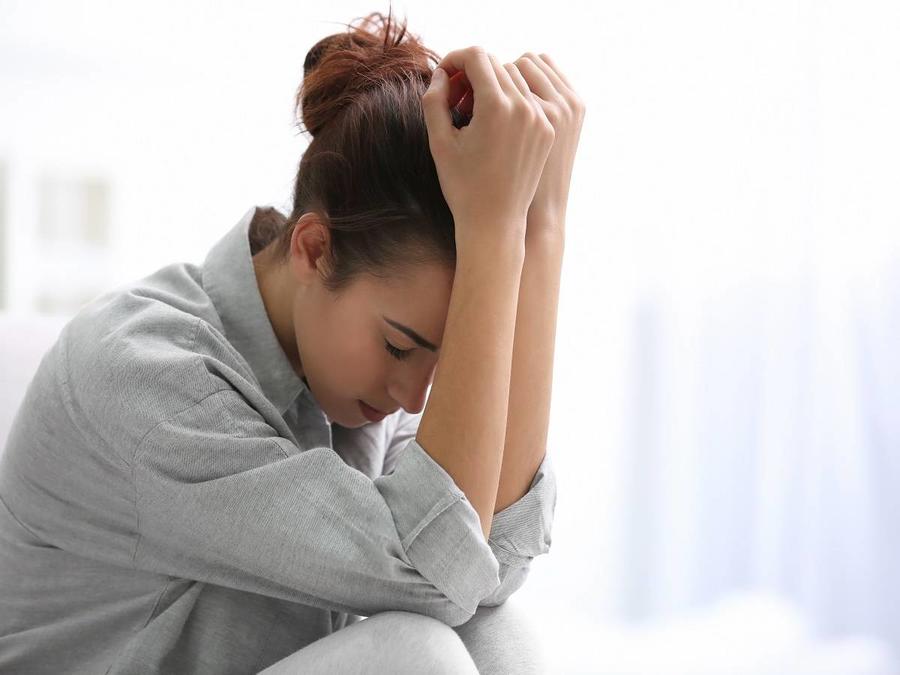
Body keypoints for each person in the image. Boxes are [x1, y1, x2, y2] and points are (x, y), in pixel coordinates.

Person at [0, 8, 584, 674]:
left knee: (494, 634)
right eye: (400, 347)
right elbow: (439, 573)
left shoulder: (354, 382)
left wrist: (542, 229)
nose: (413, 396)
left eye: (440, 361)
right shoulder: (146, 373)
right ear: (312, 248)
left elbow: (483, 569)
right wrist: (495, 230)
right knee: (415, 654)